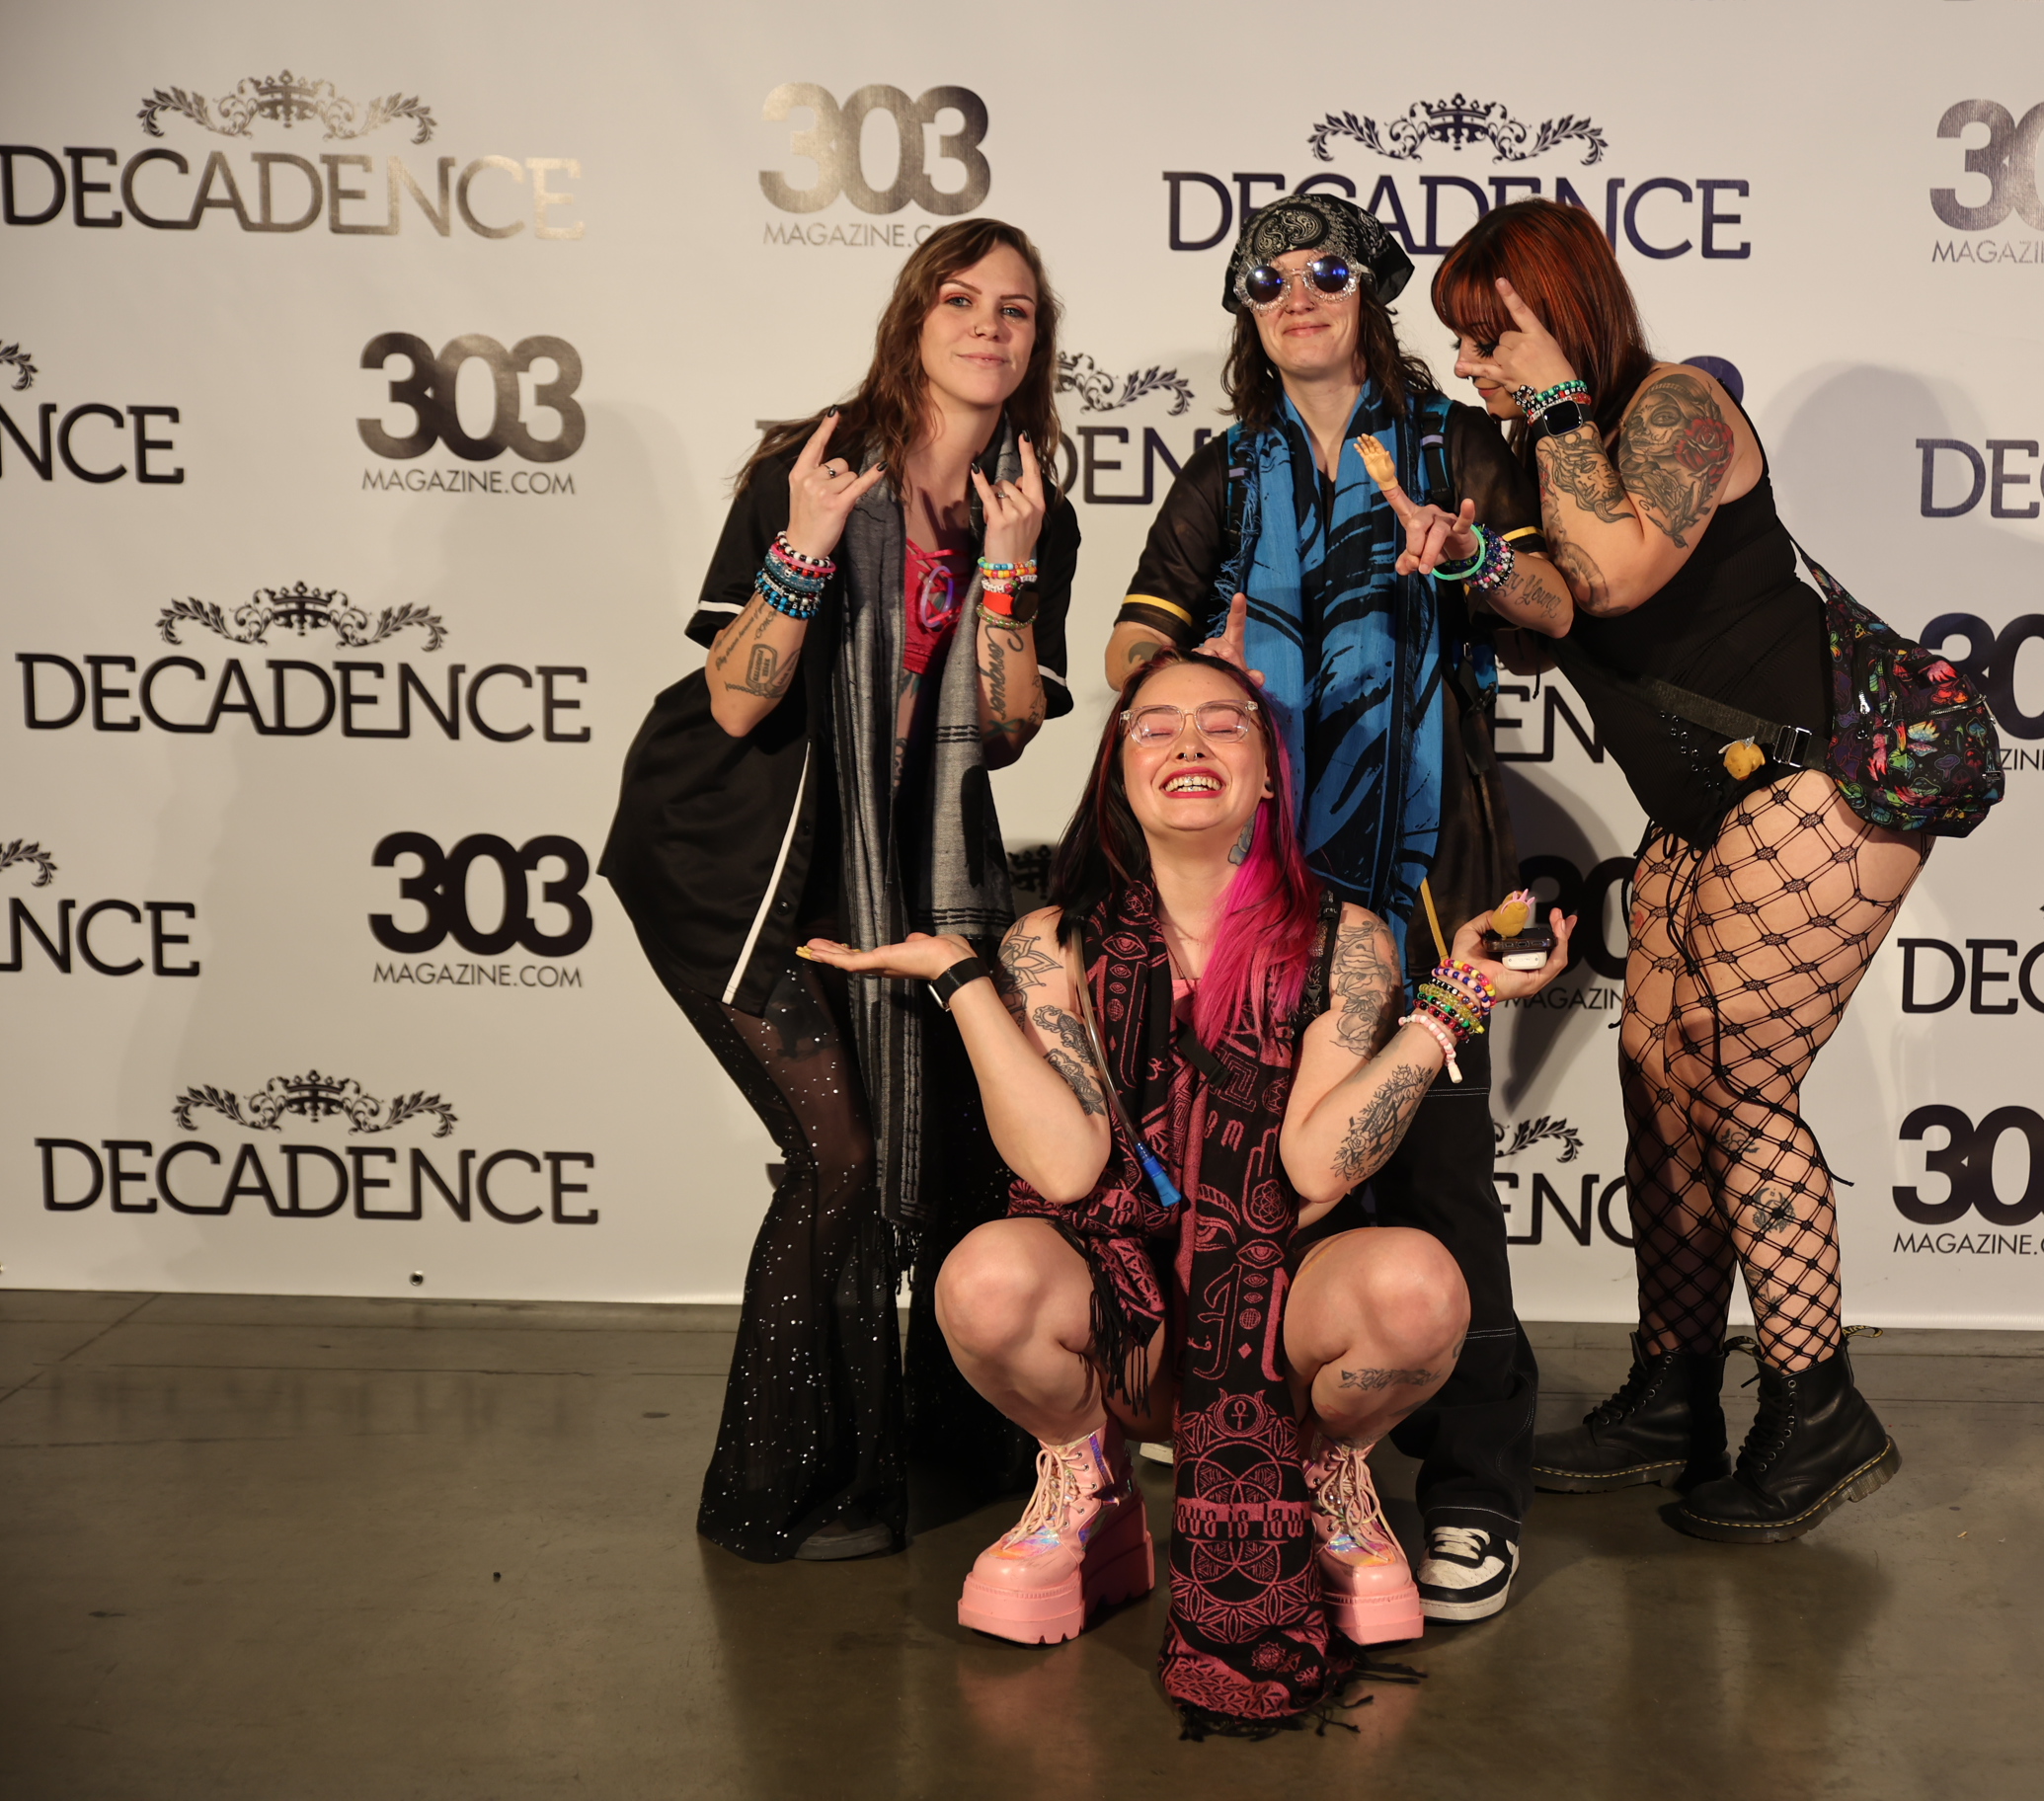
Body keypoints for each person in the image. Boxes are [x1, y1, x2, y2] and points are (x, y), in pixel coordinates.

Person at [801, 650, 1573, 1732]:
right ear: (1119, 770)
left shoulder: (1347, 942)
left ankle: (1326, 1474)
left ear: (1270, 778)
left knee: (1419, 1290)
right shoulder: (1051, 943)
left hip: (1275, 1327)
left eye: (1224, 723)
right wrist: (966, 984)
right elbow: (1064, 1169)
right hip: (1125, 1330)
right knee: (984, 1283)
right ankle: (1088, 1479)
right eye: (1155, 725)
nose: (1189, 744)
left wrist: (1452, 1007)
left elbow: (1314, 1167)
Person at [1105, 193, 1570, 1622]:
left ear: (1371, 291)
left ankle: (1476, 1490)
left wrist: (1472, 558)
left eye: (1324, 271)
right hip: (1267, 881)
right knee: (1273, 1165)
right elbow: (1129, 643)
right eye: (1265, 279)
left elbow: (1555, 606)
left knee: (1438, 1175)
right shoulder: (1227, 471)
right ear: (1244, 311)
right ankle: (1313, 1463)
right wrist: (1201, 650)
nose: (1295, 295)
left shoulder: (1457, 445)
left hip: (1427, 874)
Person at [1432, 198, 1926, 1542]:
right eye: (1461, 342)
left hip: (1814, 780)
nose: (1470, 364)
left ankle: (1820, 1411)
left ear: (1560, 316)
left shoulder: (1675, 406)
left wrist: (1553, 404)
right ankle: (1673, 1394)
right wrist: (1470, 553)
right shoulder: (1532, 450)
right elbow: (1541, 609)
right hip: (1699, 809)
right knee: (1659, 1080)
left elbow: (1610, 572)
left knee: (1740, 1086)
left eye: (1491, 335)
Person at [598, 220, 1081, 1563]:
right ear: (912, 318)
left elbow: (1005, 732)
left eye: (1016, 310)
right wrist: (805, 543)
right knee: (842, 1157)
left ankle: (935, 1446)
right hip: (735, 853)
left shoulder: (1031, 501)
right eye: (960, 299)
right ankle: (778, 1490)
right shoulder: (813, 466)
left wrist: (1010, 574)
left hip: (901, 867)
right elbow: (739, 703)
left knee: (957, 1149)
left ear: (1037, 342)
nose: (988, 327)